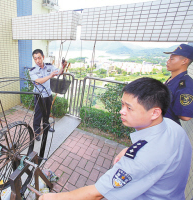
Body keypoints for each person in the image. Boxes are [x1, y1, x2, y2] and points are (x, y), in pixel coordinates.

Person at [39, 77, 192, 200]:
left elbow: (97, 193)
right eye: (122, 105)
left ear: (154, 113)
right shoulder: (173, 126)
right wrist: (128, 149)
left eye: (129, 108)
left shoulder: (140, 158)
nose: (121, 111)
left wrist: (53, 197)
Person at [29, 49, 66, 141]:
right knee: (38, 114)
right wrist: (50, 76)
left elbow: (58, 72)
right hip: (39, 96)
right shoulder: (32, 71)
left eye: (39, 58)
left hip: (48, 94)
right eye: (35, 58)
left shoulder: (49, 66)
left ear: (43, 57)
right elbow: (37, 82)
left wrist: (63, 67)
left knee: (47, 113)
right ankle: (36, 132)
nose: (37, 60)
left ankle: (46, 126)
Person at [163, 44, 193, 125]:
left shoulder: (185, 85)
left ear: (184, 61)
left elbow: (185, 116)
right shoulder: (172, 79)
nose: (168, 61)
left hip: (169, 127)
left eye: (172, 59)